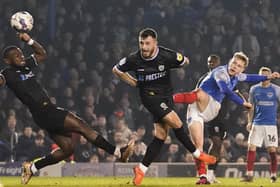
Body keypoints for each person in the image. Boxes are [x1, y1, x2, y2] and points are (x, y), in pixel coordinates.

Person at [0, 33, 134, 185]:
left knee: (68, 149)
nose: (21, 56)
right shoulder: (7, 74)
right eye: (16, 56)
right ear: (7, 60)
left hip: (45, 113)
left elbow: (42, 54)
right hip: (45, 112)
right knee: (82, 126)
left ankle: (32, 168)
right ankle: (118, 152)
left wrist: (29, 40)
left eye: (21, 53)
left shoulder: (26, 65)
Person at [112, 27, 216, 186]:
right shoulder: (134, 59)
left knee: (160, 135)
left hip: (166, 96)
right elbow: (116, 69)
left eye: (147, 43)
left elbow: (185, 61)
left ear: (155, 43)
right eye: (141, 43)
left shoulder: (166, 55)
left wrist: (181, 63)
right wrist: (133, 82)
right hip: (149, 97)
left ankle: (141, 169)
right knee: (177, 123)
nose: (144, 47)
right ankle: (198, 154)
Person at [173, 52, 280, 184]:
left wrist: (268, 76)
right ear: (230, 61)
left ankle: (170, 99)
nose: (235, 66)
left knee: (199, 93)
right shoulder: (220, 72)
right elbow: (225, 90)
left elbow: (250, 78)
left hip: (211, 107)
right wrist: (243, 103)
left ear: (242, 69)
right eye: (234, 63)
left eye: (239, 65)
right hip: (194, 110)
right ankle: (203, 177)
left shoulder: (235, 76)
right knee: (198, 147)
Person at [240, 67, 280, 183]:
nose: (264, 77)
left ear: (271, 76)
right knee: (251, 147)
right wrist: (249, 121)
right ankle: (249, 174)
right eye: (262, 75)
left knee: (272, 150)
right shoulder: (254, 89)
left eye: (266, 75)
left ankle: (273, 174)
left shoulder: (276, 90)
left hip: (270, 125)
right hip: (257, 123)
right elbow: (251, 107)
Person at [196, 55, 228, 184]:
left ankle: (212, 174)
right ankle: (208, 174)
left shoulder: (224, 77)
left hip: (222, 116)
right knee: (216, 143)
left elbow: (230, 92)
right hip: (209, 116)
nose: (211, 64)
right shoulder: (204, 79)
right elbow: (196, 93)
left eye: (214, 62)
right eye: (209, 62)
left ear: (219, 63)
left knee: (219, 146)